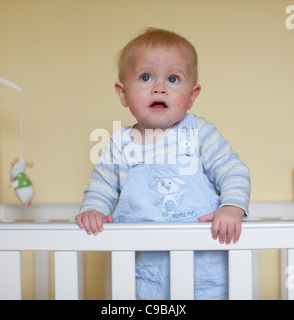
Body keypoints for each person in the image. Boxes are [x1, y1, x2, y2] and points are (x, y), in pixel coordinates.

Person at [75, 28, 251, 300]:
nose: (159, 87)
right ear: (123, 94)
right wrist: (93, 210)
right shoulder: (119, 143)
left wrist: (231, 206)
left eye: (173, 78)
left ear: (192, 96)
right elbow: (102, 188)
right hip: (146, 274)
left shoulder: (199, 132)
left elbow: (233, 170)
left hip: (207, 271)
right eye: (145, 77)